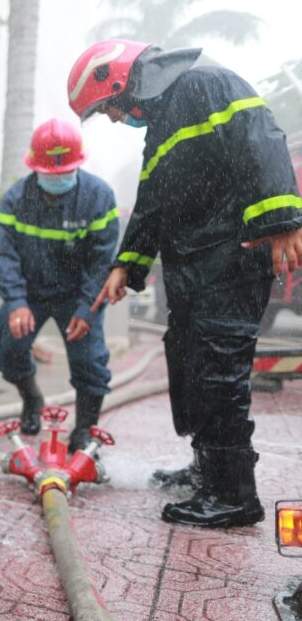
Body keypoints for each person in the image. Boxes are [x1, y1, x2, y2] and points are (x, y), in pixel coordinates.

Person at [69, 39, 302, 527]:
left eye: (107, 106)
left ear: (122, 81)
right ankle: (207, 468)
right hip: (194, 271)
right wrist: (124, 266)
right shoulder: (161, 128)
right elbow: (151, 203)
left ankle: (233, 493)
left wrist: (282, 219)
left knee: (218, 372)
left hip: (231, 261)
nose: (112, 117)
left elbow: (261, 138)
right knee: (191, 364)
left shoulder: (207, 84)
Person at [0, 118, 119, 450]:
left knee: (90, 361)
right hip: (29, 292)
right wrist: (16, 302)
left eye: (65, 173)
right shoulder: (15, 201)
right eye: (51, 174)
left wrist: (88, 309)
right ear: (35, 168)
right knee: (6, 348)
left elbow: (101, 262)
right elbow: (5, 255)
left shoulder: (98, 197)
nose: (58, 179)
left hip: (77, 295)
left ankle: (85, 428)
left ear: (78, 165)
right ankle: (32, 398)